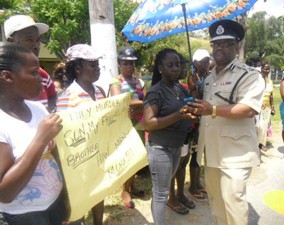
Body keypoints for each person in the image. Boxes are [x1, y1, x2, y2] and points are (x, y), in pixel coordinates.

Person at [185, 19, 265, 225]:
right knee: (217, 202)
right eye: (215, 43)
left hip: (235, 152)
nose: (218, 47)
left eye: (225, 43)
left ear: (237, 46)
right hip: (212, 151)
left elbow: (248, 109)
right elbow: (209, 108)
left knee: (233, 202)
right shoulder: (210, 77)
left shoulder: (249, 76)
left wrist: (211, 109)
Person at [0, 42, 65, 225]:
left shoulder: (37, 109)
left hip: (55, 206)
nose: (41, 78)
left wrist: (68, 199)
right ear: (7, 77)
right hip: (23, 216)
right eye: (34, 72)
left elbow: (55, 158)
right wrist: (40, 139)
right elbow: (5, 193)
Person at [56, 44, 106, 225]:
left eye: (97, 64)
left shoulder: (99, 92)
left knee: (99, 191)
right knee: (82, 198)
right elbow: (64, 135)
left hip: (99, 154)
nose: (97, 69)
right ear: (77, 68)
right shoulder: (68, 98)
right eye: (92, 65)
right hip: (80, 160)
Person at [143, 48, 192, 225]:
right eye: (170, 65)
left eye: (177, 64)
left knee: (161, 190)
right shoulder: (156, 92)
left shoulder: (180, 88)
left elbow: (189, 106)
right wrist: (178, 115)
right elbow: (148, 123)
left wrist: (192, 98)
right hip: (160, 148)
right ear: (160, 68)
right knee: (161, 193)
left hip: (176, 147)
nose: (175, 69)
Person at [110, 46, 146, 209]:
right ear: (120, 64)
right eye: (126, 63)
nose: (129, 66)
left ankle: (132, 187)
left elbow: (148, 101)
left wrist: (136, 105)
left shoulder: (140, 82)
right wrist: (140, 104)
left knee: (138, 157)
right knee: (127, 157)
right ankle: (125, 191)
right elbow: (120, 102)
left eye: (132, 63)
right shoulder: (115, 82)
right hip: (124, 126)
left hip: (140, 124)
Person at [4, 14, 57, 113]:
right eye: (29, 40)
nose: (36, 45)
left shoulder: (42, 75)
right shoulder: (4, 79)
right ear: (11, 42)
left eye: (38, 40)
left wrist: (51, 113)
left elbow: (53, 95)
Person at [167, 53, 195, 215]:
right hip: (174, 135)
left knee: (183, 163)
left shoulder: (184, 88)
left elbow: (193, 104)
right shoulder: (168, 88)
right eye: (179, 66)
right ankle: (171, 198)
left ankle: (180, 193)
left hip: (187, 132)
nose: (181, 69)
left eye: (183, 66)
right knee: (173, 167)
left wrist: (192, 88)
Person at [187, 49, 211, 200]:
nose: (206, 64)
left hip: (206, 119)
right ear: (195, 63)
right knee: (195, 153)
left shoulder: (207, 76)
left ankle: (197, 183)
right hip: (196, 121)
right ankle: (192, 186)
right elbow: (192, 99)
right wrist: (194, 87)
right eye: (202, 61)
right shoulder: (192, 78)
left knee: (200, 152)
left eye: (207, 61)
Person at [257, 62, 275, 151]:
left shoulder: (270, 81)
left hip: (267, 108)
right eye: (265, 68)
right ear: (261, 69)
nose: (267, 71)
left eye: (268, 69)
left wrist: (272, 107)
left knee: (264, 126)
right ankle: (254, 142)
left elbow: (271, 95)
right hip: (257, 106)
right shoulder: (257, 80)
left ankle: (261, 143)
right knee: (258, 125)